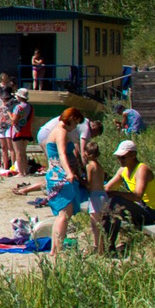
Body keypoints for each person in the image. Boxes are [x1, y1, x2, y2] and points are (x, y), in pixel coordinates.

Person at [35, 105, 95, 256]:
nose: (75, 127)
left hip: (53, 175)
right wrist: (69, 172)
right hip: (60, 176)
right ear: (72, 119)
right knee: (64, 215)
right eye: (76, 123)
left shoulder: (54, 132)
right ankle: (59, 249)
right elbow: (62, 154)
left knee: (60, 215)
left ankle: (54, 249)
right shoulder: (61, 132)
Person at [96, 139, 155, 246]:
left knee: (115, 201)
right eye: (118, 157)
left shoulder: (142, 170)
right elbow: (107, 188)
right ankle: (105, 243)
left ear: (133, 155)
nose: (120, 160)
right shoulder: (123, 170)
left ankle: (109, 243)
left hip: (148, 211)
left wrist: (116, 193)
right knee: (109, 201)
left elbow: (137, 196)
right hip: (136, 208)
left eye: (123, 157)